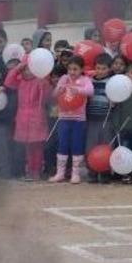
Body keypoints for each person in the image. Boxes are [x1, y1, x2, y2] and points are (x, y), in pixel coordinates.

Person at [4, 60, 51, 181]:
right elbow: (8, 82)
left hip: (37, 117)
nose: (27, 72)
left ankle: (37, 171)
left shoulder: (41, 81)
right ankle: (30, 170)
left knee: (38, 146)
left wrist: (43, 80)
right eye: (25, 69)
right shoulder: (20, 82)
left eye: (29, 69)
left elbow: (46, 97)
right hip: (23, 119)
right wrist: (18, 68)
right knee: (28, 147)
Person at [50, 56, 93, 184]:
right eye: (70, 69)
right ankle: (60, 173)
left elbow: (90, 91)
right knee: (63, 144)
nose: (72, 72)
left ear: (81, 69)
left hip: (79, 120)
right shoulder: (64, 78)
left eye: (75, 69)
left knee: (77, 145)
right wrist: (59, 89)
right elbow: (54, 95)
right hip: (63, 118)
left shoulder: (85, 80)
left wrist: (78, 90)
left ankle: (75, 174)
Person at [86, 53, 114, 183]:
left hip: (106, 120)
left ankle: (105, 172)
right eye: (98, 68)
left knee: (106, 145)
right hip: (92, 119)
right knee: (91, 146)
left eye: (103, 68)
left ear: (109, 69)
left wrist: (113, 102)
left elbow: (116, 98)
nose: (100, 71)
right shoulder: (89, 82)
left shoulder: (112, 82)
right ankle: (92, 171)